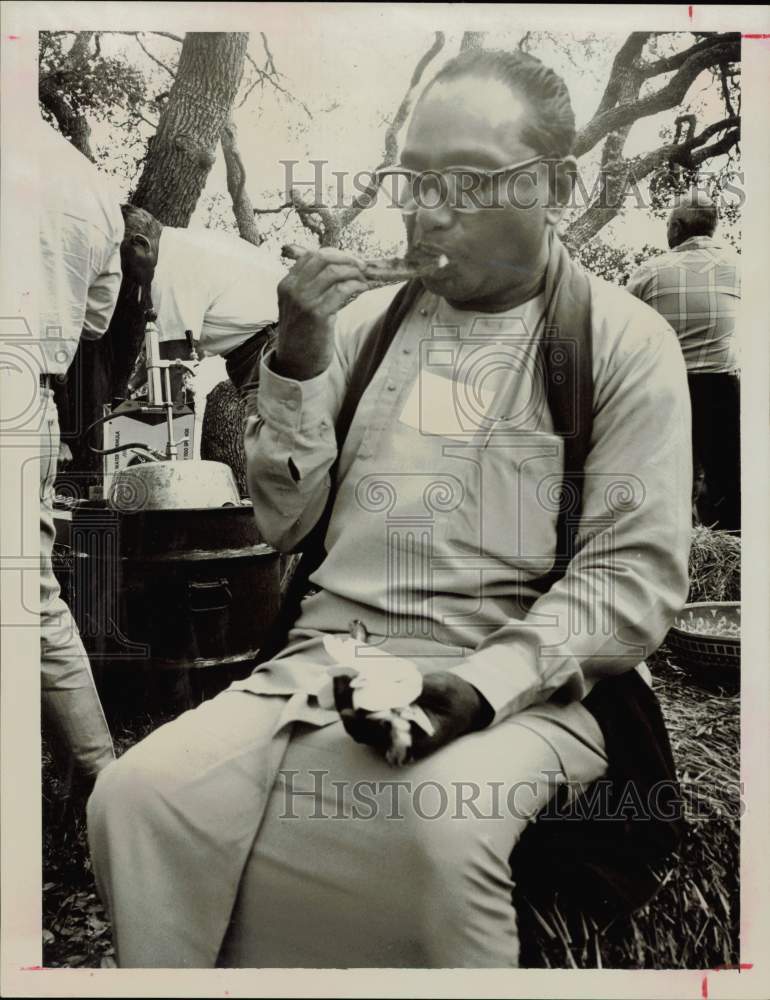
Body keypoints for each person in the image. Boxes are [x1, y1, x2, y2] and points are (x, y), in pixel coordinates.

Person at [88, 49, 692, 968]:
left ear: (558, 184)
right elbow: (287, 525)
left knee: (427, 831)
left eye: (468, 180)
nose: (428, 207)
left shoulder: (620, 341)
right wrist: (291, 362)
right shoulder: (364, 331)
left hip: (522, 680)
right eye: (414, 177)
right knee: (136, 799)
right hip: (325, 660)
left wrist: (479, 687)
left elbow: (632, 578)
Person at [38, 122, 124, 790]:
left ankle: (103, 785)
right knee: (31, 598)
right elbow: (97, 318)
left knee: (27, 601)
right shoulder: (90, 183)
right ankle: (100, 782)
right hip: (32, 391)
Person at [627, 190, 741, 530]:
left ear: (676, 228)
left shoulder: (650, 271)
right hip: (723, 390)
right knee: (728, 483)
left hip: (667, 390)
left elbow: (623, 332)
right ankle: (729, 555)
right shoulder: (740, 268)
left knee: (667, 484)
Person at [121, 207, 283, 398]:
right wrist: (131, 387)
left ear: (142, 243)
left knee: (277, 426)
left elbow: (174, 363)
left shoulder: (168, 270)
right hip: (283, 334)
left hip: (269, 346)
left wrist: (166, 421)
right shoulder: (180, 245)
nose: (124, 272)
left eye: (123, 260)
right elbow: (169, 352)